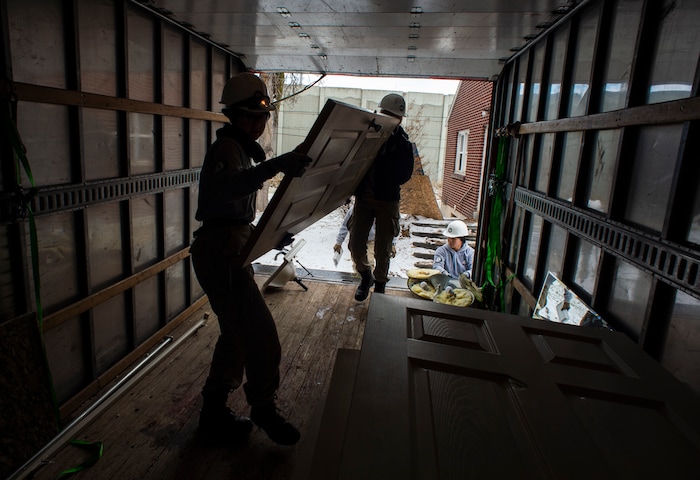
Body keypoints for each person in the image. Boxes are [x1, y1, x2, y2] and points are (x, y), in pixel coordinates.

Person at [189, 72, 311, 446]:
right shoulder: (228, 150)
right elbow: (228, 191)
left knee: (236, 336)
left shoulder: (240, 150)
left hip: (229, 243)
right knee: (261, 336)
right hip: (220, 249)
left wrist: (271, 234)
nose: (258, 124)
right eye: (251, 117)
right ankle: (263, 408)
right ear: (234, 116)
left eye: (263, 118)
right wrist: (276, 166)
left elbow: (239, 214)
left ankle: (213, 414)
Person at [349, 93, 414, 300]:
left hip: (387, 201)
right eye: (385, 114)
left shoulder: (403, 144)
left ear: (400, 119)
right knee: (356, 244)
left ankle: (379, 286)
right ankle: (366, 276)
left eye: (393, 116)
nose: (389, 119)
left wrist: (384, 160)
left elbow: (404, 175)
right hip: (364, 200)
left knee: (383, 249)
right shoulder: (367, 135)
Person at [333, 204, 376, 272]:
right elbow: (345, 226)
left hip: (371, 240)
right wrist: (339, 242)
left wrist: (392, 243)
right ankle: (357, 280)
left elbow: (388, 226)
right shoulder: (353, 209)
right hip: (356, 240)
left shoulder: (377, 209)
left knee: (369, 261)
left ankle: (369, 279)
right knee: (357, 263)